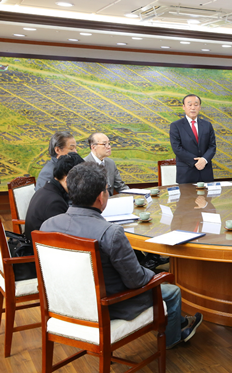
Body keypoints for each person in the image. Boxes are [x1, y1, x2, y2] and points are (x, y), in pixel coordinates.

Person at [40, 162, 203, 349]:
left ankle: (178, 326)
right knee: (172, 291)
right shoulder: (111, 233)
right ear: (101, 197)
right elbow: (136, 281)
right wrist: (156, 275)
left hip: (65, 303)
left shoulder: (48, 226)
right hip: (110, 306)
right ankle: (172, 340)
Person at [25, 152, 84, 242]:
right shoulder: (55, 203)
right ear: (68, 178)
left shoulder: (48, 190)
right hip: (40, 252)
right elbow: (66, 238)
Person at [170, 94, 216, 184]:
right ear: (184, 107)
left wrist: (204, 160)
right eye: (189, 105)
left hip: (205, 172)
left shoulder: (207, 125)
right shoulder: (176, 125)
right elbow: (177, 148)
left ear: (200, 107)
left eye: (196, 104)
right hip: (186, 173)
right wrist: (196, 162)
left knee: (207, 197)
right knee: (187, 198)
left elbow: (212, 146)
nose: (193, 108)